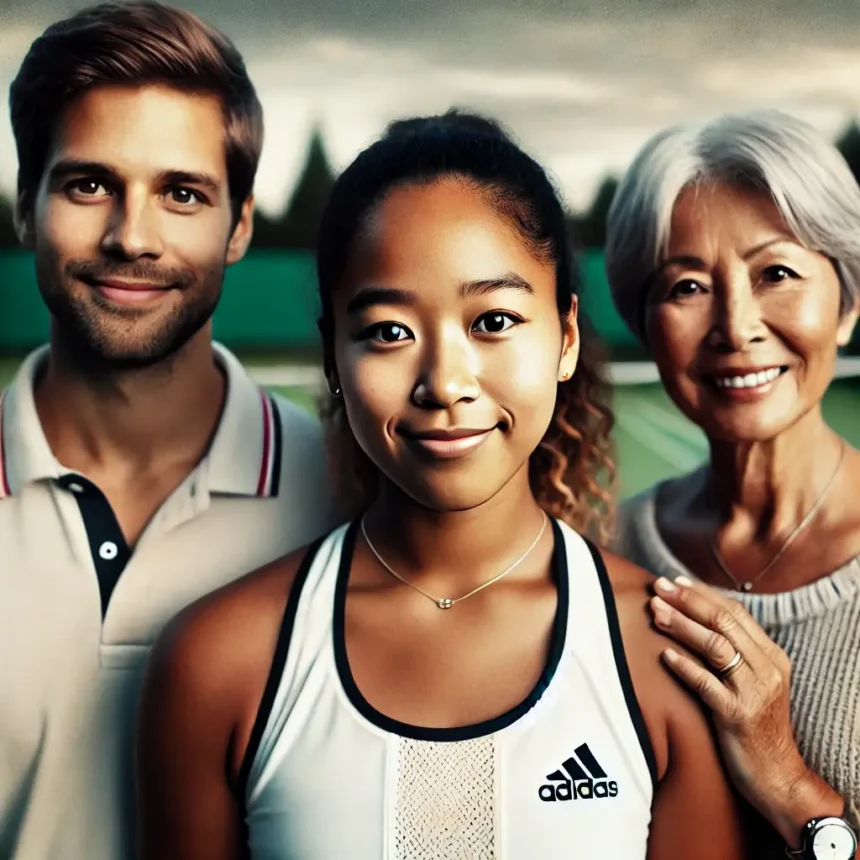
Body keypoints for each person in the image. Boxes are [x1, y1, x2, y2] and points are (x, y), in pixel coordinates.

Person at [136, 111, 751, 860]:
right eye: (389, 331)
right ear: (333, 355)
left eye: (493, 319)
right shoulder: (218, 661)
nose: (445, 383)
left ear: (565, 339)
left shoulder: (667, 658)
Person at [0, 4, 337, 858]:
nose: (131, 238)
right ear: (25, 208)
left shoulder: (349, 497)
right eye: (87, 185)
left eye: (182, 194)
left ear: (241, 226)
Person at [607, 110, 860, 859]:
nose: (736, 327)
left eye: (776, 273)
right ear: (645, 321)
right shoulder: (599, 553)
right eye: (687, 286)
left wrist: (787, 783)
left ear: (847, 303)